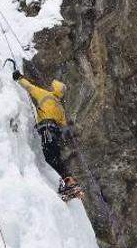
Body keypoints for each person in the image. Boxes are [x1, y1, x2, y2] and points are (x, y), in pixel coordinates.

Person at [12, 70, 84, 201]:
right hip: (55, 132)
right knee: (55, 157)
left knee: (50, 157)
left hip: (46, 128)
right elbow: (63, 125)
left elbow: (29, 87)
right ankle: (69, 182)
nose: (50, 87)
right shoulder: (60, 107)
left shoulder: (45, 95)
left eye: (52, 86)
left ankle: (70, 182)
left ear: (54, 89)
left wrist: (19, 78)